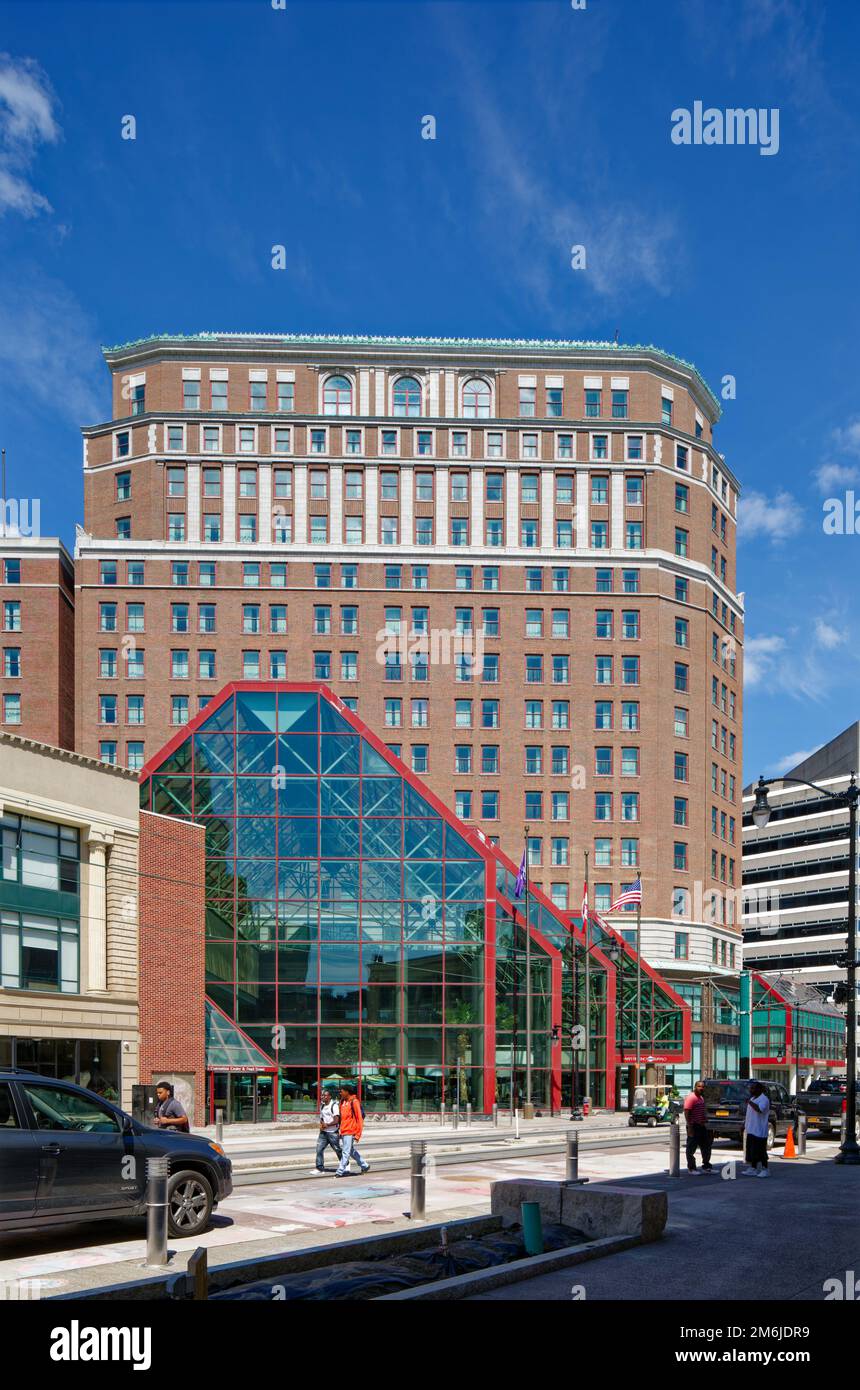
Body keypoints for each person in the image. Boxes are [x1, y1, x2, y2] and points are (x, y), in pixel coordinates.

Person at [334, 1083, 370, 1177]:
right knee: (350, 1150)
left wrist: (358, 1134)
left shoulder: (354, 1101)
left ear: (347, 1092)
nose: (340, 1093)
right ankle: (364, 1165)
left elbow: (359, 1119)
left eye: (341, 1091)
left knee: (345, 1151)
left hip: (351, 1131)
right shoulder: (342, 1102)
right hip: (343, 1130)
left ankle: (340, 1171)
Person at [683, 1079, 713, 1173]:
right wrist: (690, 1127)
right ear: (695, 1087)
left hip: (701, 1126)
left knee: (706, 1147)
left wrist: (705, 1120)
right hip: (693, 1126)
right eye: (699, 1086)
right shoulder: (691, 1097)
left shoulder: (701, 1098)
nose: (701, 1088)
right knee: (691, 1148)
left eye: (702, 1087)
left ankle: (706, 1166)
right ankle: (691, 1168)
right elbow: (686, 1112)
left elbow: (701, 1111)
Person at [743, 1081, 771, 1178]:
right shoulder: (753, 1098)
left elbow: (760, 1110)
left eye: (753, 1088)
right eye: (751, 1088)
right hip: (751, 1129)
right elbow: (749, 1115)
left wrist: (750, 1102)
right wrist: (744, 1126)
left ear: (759, 1089)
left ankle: (765, 1169)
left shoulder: (764, 1099)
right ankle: (753, 1168)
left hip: (759, 1130)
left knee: (761, 1151)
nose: (751, 1090)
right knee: (752, 1151)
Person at [312, 1088, 342, 1175]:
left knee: (337, 1150)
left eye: (324, 1095)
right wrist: (322, 1124)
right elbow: (322, 1118)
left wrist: (327, 1125)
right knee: (319, 1149)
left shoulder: (334, 1106)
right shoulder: (322, 1106)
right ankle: (319, 1167)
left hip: (333, 1132)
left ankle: (345, 1164)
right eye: (322, 1095)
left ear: (329, 1097)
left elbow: (337, 1120)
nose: (322, 1097)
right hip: (323, 1132)